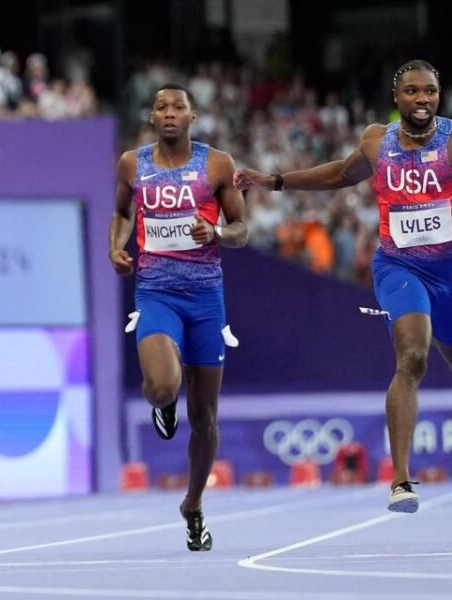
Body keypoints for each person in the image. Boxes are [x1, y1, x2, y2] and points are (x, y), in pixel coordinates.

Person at [234, 59, 449, 514]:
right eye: (412, 91)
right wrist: (273, 181)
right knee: (412, 355)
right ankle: (401, 480)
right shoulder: (377, 140)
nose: (422, 99)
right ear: (397, 97)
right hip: (401, 267)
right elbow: (337, 175)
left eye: (429, 91)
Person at [110, 84, 247, 551]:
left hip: (206, 298)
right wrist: (116, 245)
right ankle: (162, 403)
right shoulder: (133, 163)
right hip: (156, 293)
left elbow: (242, 230)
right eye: (162, 107)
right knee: (165, 385)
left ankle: (192, 504)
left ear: (193, 116)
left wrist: (218, 230)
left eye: (178, 107)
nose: (170, 113)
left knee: (205, 419)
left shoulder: (217, 165)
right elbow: (122, 214)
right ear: (152, 117)